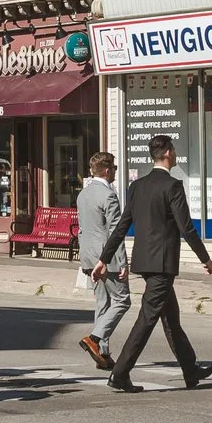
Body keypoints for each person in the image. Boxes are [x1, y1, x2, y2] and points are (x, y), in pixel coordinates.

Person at [92, 138, 212, 393]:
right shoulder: (172, 186)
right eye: (175, 151)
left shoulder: (138, 186)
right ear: (168, 153)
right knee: (147, 319)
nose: (176, 154)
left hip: (145, 262)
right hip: (162, 263)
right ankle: (120, 373)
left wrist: (104, 259)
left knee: (171, 318)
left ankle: (190, 370)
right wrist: (205, 258)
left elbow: (122, 226)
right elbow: (186, 228)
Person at [74, 150, 128, 369]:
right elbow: (116, 232)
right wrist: (123, 262)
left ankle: (102, 353)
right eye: (114, 168)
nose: (115, 172)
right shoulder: (108, 196)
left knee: (103, 303)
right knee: (122, 300)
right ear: (107, 170)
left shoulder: (83, 195)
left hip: (87, 255)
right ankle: (95, 339)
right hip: (107, 258)